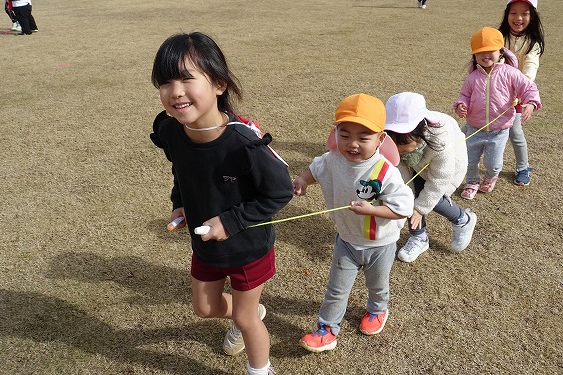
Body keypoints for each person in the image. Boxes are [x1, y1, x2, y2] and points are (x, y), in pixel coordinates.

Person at [149, 32, 293, 375]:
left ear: (218, 84)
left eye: (186, 78)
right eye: (166, 82)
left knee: (243, 318)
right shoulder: (171, 132)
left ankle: (261, 369)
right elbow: (181, 171)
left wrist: (230, 222)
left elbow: (279, 192)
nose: (176, 91)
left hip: (248, 247)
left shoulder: (245, 143)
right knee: (204, 307)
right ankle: (253, 311)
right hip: (205, 244)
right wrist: (180, 204)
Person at [295, 94, 414, 353]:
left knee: (377, 285)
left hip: (381, 244)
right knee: (336, 290)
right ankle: (327, 330)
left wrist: (373, 209)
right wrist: (303, 181)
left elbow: (404, 208)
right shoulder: (332, 159)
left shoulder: (385, 172)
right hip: (346, 241)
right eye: (345, 134)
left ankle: (378, 310)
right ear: (335, 132)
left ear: (381, 139)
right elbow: (314, 170)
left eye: (363, 137)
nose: (353, 144)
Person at [384, 92, 477, 262]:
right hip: (418, 166)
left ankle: (463, 219)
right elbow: (401, 170)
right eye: (394, 145)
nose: (398, 150)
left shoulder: (441, 141)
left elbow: (439, 179)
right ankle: (419, 237)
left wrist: (419, 209)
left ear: (422, 131)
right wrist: (408, 198)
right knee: (410, 196)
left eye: (403, 146)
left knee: (433, 198)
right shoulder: (395, 141)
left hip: (447, 168)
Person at [454, 27, 541, 200]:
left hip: (499, 131)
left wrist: (531, 102)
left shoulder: (510, 73)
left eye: (490, 51)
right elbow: (464, 95)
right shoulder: (473, 77)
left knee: (493, 164)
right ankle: (471, 182)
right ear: (474, 55)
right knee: (470, 160)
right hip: (474, 128)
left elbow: (528, 87)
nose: (485, 55)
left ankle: (490, 177)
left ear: (501, 51)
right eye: (480, 52)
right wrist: (461, 105)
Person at [497, 0, 545, 186]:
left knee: (514, 134)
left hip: (515, 97)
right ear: (507, 13)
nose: (518, 18)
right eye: (513, 12)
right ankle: (491, 166)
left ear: (532, 16)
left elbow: (530, 68)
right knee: (492, 133)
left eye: (524, 13)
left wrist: (525, 96)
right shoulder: (499, 37)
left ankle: (523, 166)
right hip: (495, 95)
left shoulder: (533, 43)